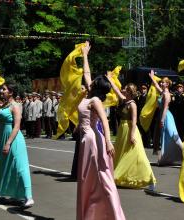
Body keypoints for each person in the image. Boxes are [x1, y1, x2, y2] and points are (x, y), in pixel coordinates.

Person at [77, 41, 125, 220]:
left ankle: (113, 214)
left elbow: (105, 122)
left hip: (92, 139)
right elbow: (86, 73)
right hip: (85, 138)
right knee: (88, 179)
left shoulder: (95, 100)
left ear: (96, 86)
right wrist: (85, 55)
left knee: (101, 178)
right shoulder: (90, 92)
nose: (91, 80)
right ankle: (92, 214)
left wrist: (108, 142)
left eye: (94, 81)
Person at [0, 83, 34, 208]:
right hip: (4, 138)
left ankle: (29, 197)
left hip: (14, 140)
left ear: (11, 92)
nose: (2, 91)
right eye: (2, 89)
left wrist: (8, 143)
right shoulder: (5, 104)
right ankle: (15, 194)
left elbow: (17, 127)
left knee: (20, 166)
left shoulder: (15, 106)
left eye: (4, 89)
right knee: (9, 167)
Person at [106, 74, 156, 190]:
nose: (123, 90)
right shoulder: (124, 100)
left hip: (130, 129)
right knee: (121, 153)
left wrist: (132, 134)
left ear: (129, 92)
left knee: (138, 154)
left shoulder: (133, 104)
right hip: (122, 130)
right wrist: (110, 79)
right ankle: (121, 177)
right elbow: (116, 89)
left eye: (126, 89)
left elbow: (134, 121)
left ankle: (149, 178)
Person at [149, 70, 183, 165]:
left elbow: (165, 108)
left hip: (166, 116)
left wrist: (162, 119)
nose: (161, 83)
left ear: (167, 84)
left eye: (163, 82)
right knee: (165, 137)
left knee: (173, 136)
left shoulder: (167, 94)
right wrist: (152, 77)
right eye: (161, 82)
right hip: (163, 115)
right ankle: (165, 158)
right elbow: (156, 85)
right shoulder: (163, 92)